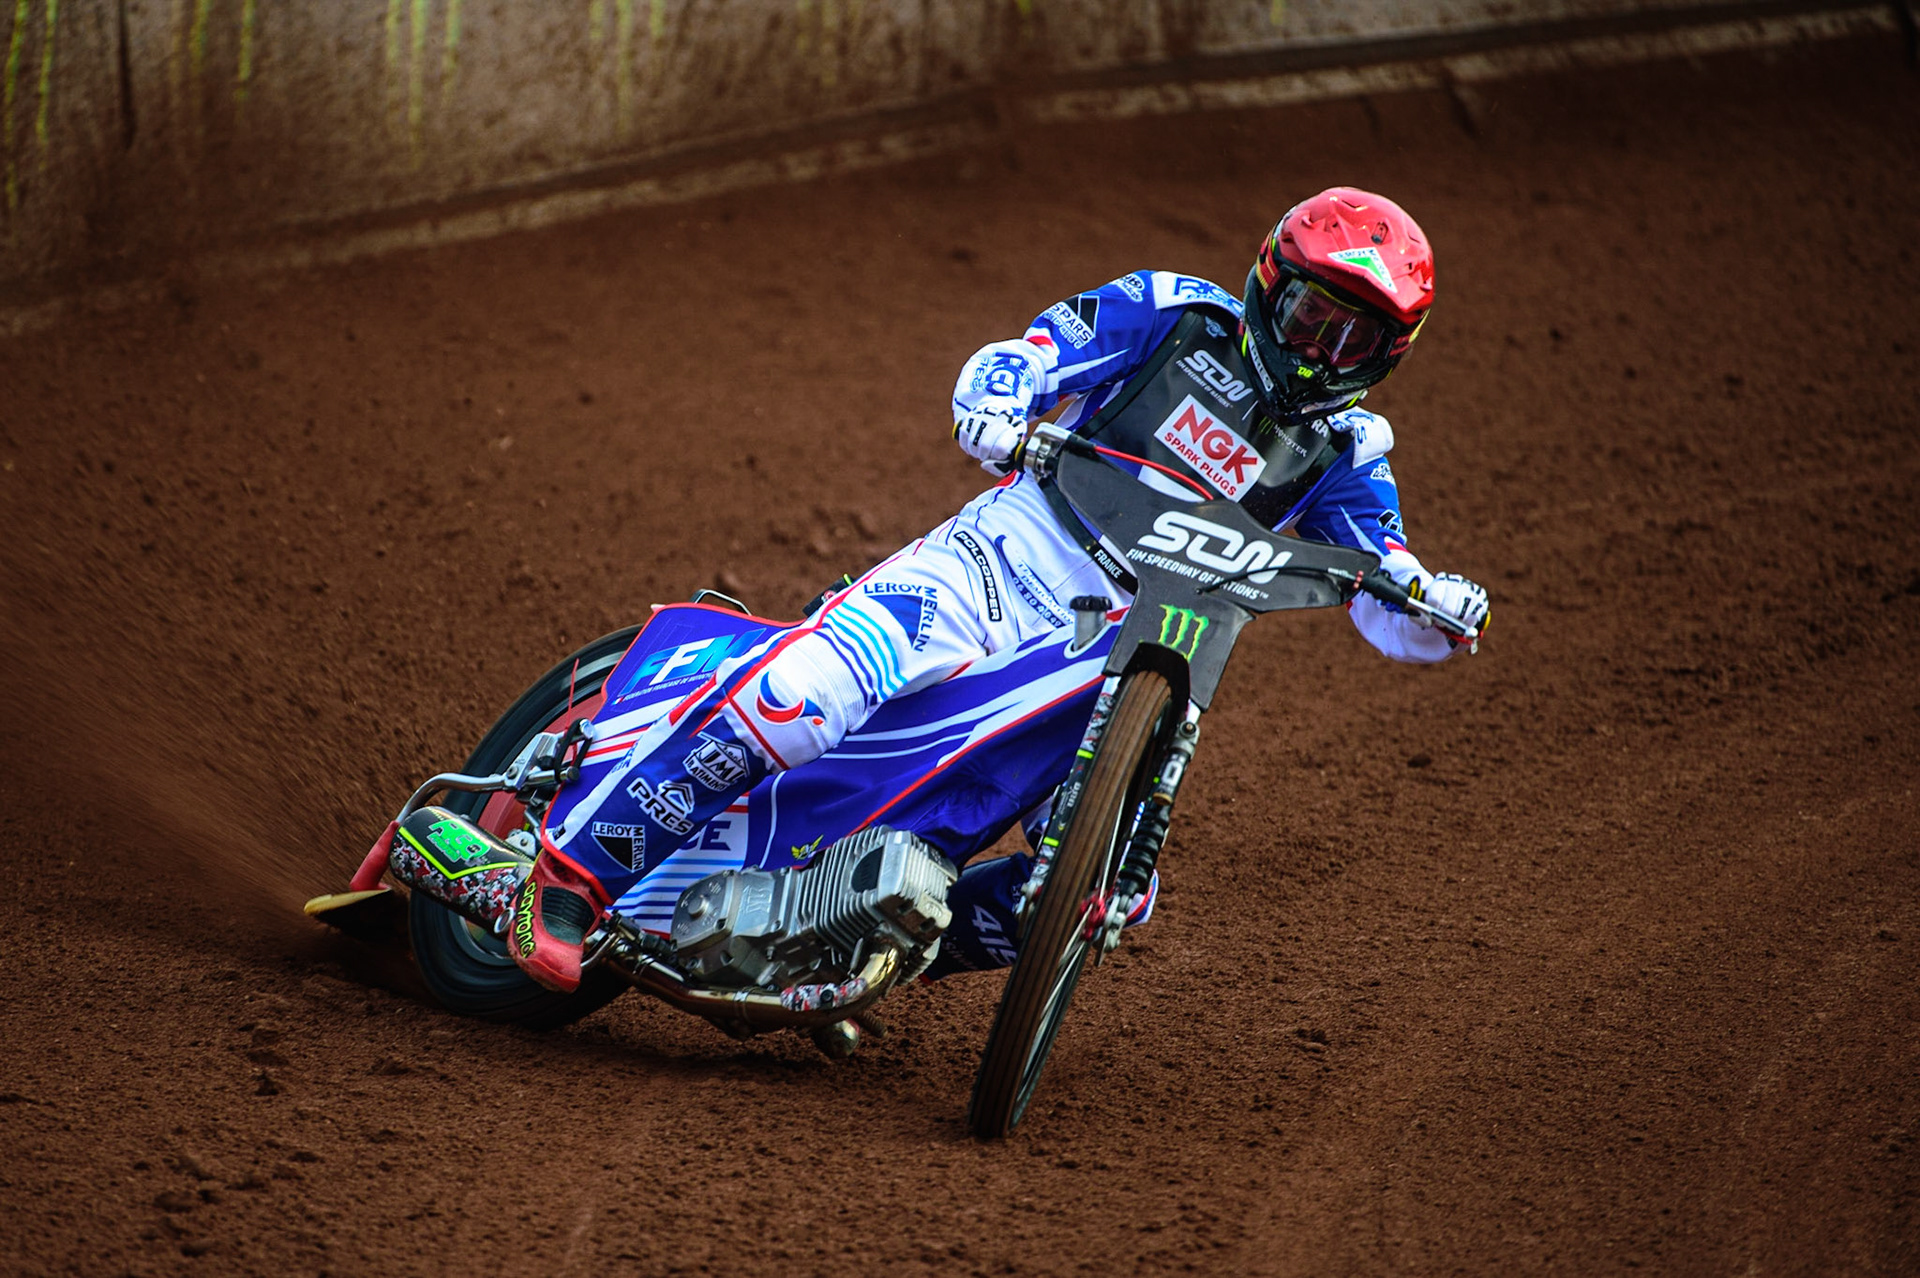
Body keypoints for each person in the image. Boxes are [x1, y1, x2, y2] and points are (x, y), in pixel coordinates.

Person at [506, 186, 1491, 992]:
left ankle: (856, 945)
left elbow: (1385, 580)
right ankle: (567, 879)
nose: (1320, 350)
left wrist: (1433, 605)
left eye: (1353, 340)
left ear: (1388, 356)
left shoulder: (1348, 452)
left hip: (1128, 655)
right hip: (1003, 561)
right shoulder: (1178, 315)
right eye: (1312, 316)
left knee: (1103, 890)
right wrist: (1000, 398)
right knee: (803, 695)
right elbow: (1034, 353)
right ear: (1271, 287)